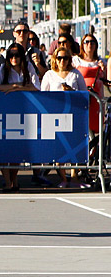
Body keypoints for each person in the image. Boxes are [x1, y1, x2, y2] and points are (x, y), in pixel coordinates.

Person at [0, 42, 41, 192]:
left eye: (17, 55)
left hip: (23, 113)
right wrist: (15, 87)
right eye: (11, 55)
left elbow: (36, 87)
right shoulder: (3, 69)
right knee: (3, 149)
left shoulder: (29, 68)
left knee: (17, 150)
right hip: (6, 112)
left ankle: (14, 179)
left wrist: (18, 87)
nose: (14, 58)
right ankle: (7, 182)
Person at [41, 45, 90, 189]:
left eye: (66, 58)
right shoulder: (49, 74)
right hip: (55, 117)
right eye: (60, 58)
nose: (62, 61)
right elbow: (43, 96)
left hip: (74, 116)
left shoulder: (75, 74)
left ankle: (74, 177)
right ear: (55, 59)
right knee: (59, 148)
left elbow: (84, 94)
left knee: (75, 146)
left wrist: (71, 91)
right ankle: (63, 177)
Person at [73, 33, 106, 135]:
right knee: (82, 125)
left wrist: (103, 70)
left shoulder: (101, 61)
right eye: (86, 42)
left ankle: (95, 149)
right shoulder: (76, 60)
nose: (89, 44)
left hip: (97, 99)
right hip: (82, 97)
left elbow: (106, 81)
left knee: (96, 126)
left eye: (92, 42)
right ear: (82, 45)